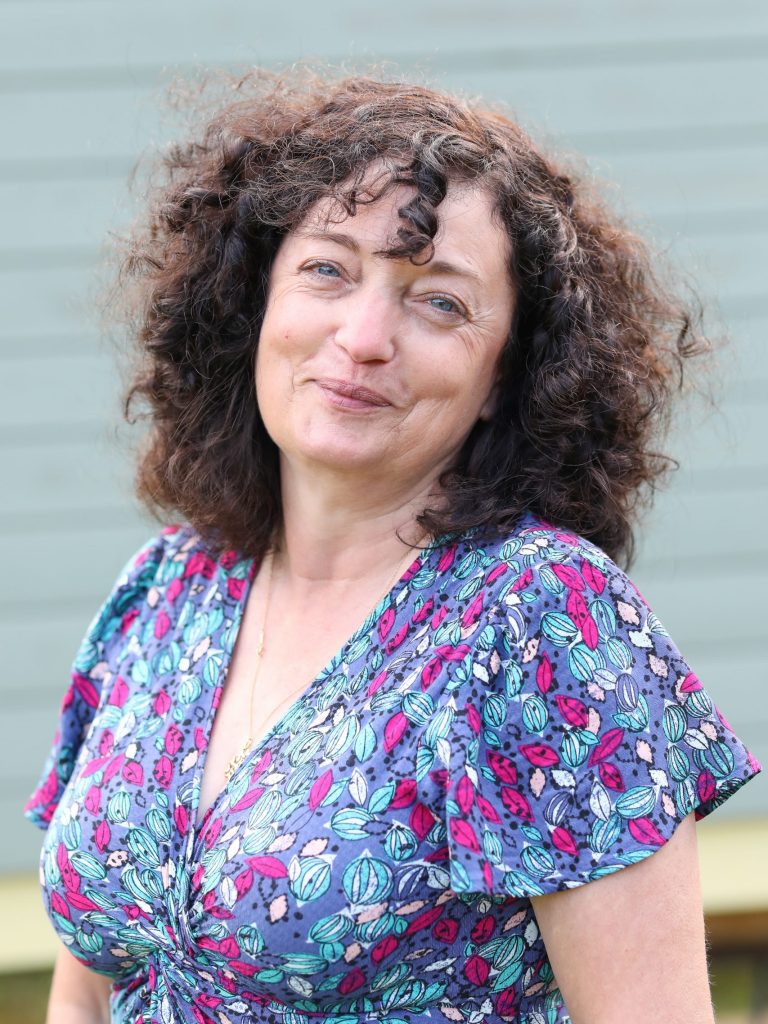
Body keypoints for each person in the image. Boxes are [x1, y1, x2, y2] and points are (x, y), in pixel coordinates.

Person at [25, 68, 761, 1024]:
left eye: (440, 303)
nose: (364, 336)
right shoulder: (169, 585)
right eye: (328, 269)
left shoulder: (544, 620)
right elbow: (88, 986)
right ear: (257, 305)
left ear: (506, 377)